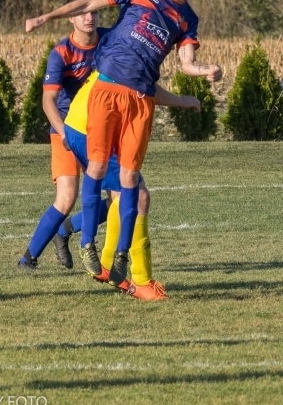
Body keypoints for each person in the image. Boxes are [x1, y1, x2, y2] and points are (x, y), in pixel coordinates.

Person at [26, 0, 223, 288]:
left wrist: (207, 70)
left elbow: (187, 63)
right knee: (101, 170)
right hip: (104, 92)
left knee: (130, 180)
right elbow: (88, 4)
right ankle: (87, 244)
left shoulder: (187, 18)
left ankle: (118, 256)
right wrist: (46, 17)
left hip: (141, 99)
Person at [62, 71, 200, 300]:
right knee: (138, 197)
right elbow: (143, 85)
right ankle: (141, 280)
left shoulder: (124, 53)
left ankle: (107, 265)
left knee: (120, 196)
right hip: (90, 127)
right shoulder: (138, 54)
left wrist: (179, 101)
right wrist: (181, 100)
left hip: (81, 124)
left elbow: (141, 84)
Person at [18, 0, 110, 270]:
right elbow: (48, 101)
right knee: (67, 197)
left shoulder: (109, 39)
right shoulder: (61, 53)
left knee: (120, 196)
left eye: (93, 12)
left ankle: (65, 229)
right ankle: (28, 260)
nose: (89, 17)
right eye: (81, 12)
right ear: (70, 17)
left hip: (100, 131)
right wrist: (64, 132)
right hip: (66, 131)